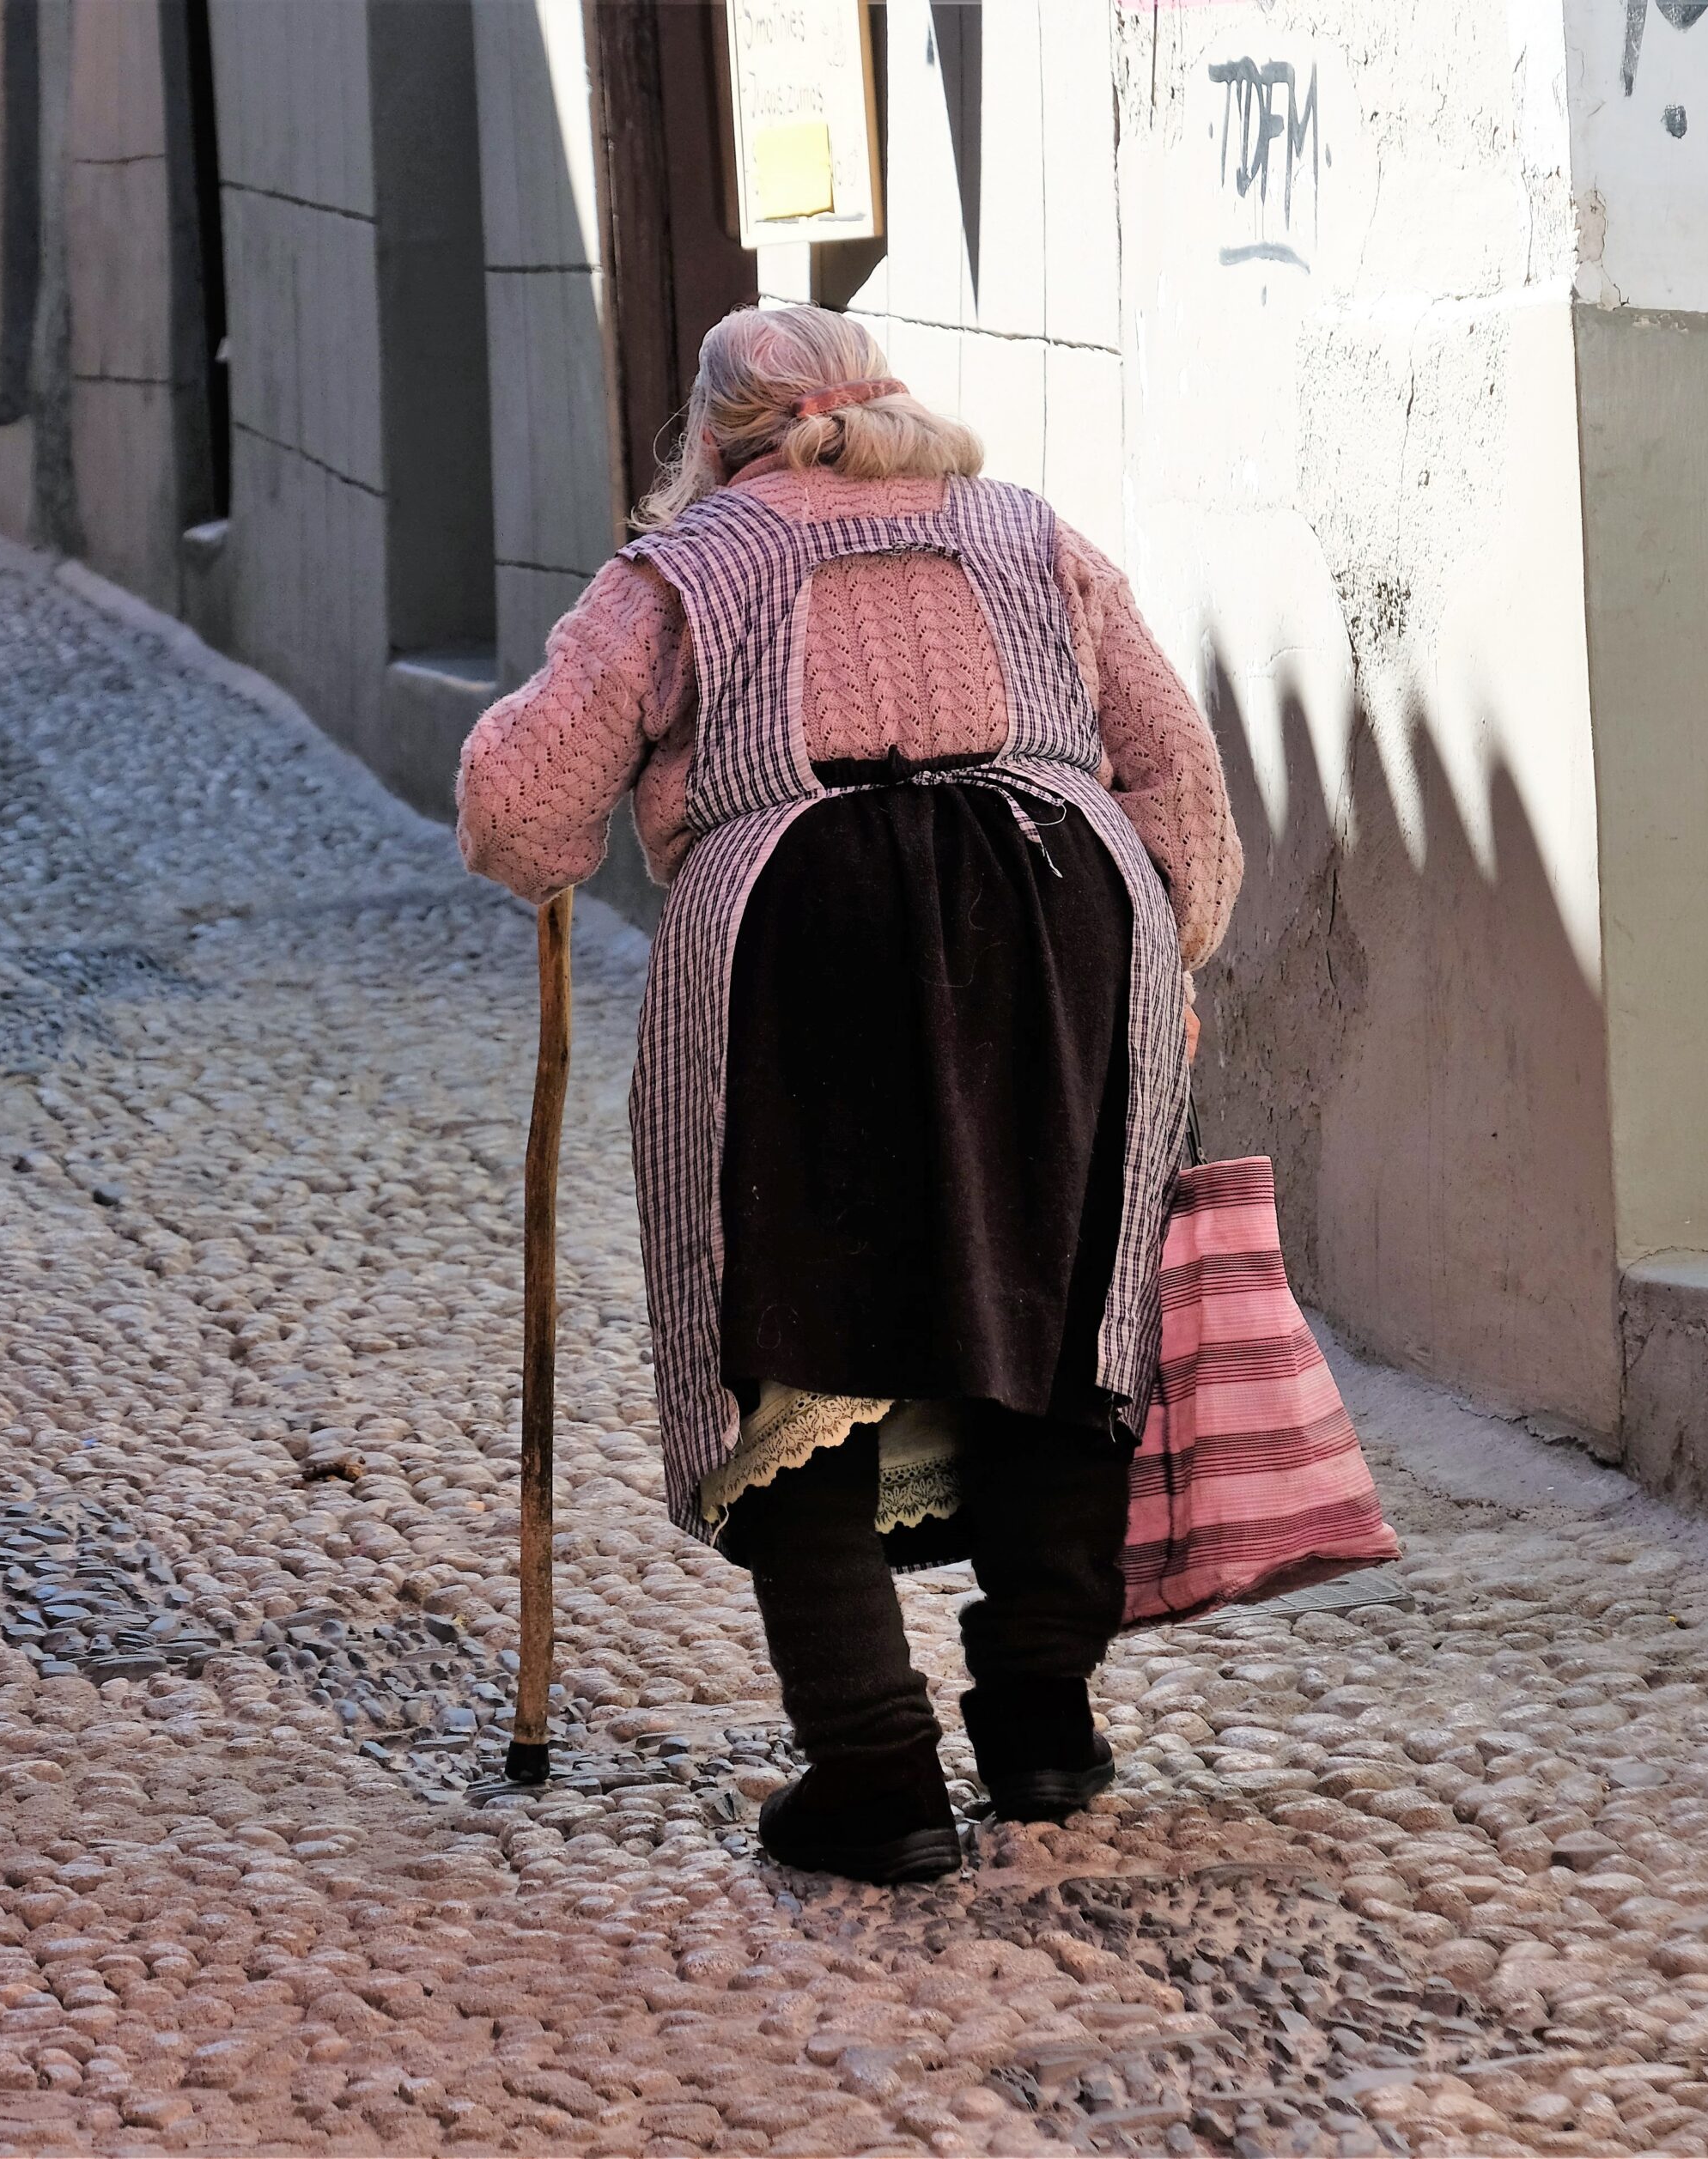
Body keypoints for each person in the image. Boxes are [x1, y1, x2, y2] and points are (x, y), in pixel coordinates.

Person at [457, 304, 1241, 1883]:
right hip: (1059, 917)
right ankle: (1039, 1727)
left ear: (718, 436)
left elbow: (524, 816)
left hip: (799, 948)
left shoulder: (690, 567)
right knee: (1056, 1289)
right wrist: (1159, 946)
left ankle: (876, 1771)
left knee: (793, 1329)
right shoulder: (1033, 535)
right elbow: (1186, 783)